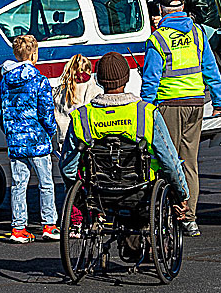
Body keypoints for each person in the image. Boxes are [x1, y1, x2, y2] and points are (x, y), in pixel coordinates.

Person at [140, 0, 221, 236]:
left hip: (169, 105)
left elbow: (151, 80)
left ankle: (166, 213)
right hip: (196, 104)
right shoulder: (198, 33)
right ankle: (189, 217)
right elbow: (211, 70)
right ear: (182, 7)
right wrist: (218, 102)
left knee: (165, 160)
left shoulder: (158, 39)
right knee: (189, 162)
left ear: (161, 10)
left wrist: (145, 109)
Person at [59, 51, 190, 218]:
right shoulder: (146, 113)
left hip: (98, 191)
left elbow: (68, 168)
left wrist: (77, 196)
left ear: (98, 80)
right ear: (127, 78)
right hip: (141, 191)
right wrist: (182, 195)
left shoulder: (82, 116)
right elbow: (170, 162)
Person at [0, 35, 60, 243]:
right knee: (46, 183)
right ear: (34, 54)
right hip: (37, 139)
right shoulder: (39, 80)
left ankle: (18, 228)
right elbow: (46, 112)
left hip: (16, 140)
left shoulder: (6, 81)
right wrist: (50, 131)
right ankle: (49, 224)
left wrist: (10, 130)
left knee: (18, 184)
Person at [53, 54, 103, 150]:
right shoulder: (95, 90)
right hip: (85, 140)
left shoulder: (58, 92)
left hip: (64, 140)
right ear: (89, 71)